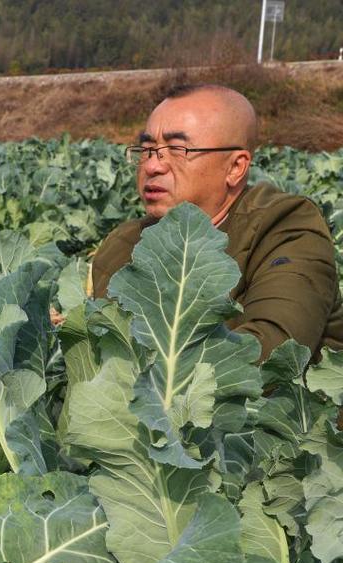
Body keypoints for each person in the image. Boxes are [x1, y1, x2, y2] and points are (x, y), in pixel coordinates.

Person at [90, 83, 343, 360]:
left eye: (177, 149)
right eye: (148, 149)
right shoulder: (121, 245)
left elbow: (271, 353)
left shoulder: (286, 228)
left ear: (235, 167)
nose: (152, 166)